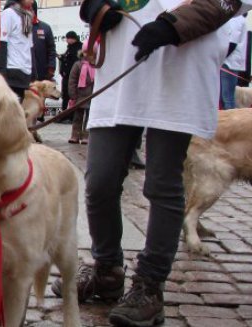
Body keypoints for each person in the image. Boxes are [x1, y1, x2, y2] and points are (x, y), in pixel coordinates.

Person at [51, 1, 252, 326]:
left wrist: (174, 24)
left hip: (182, 67)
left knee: (162, 183)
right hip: (119, 69)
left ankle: (150, 287)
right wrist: (94, 7)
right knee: (100, 180)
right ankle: (107, 269)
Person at [0, 0, 35, 96]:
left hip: (24, 71)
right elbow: (2, 42)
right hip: (12, 69)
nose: (32, 1)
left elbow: (28, 45)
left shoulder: (26, 16)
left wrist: (33, 70)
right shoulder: (8, 14)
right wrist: (1, 71)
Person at [67, 41, 95, 144]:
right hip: (79, 96)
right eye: (86, 52)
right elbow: (72, 80)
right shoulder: (78, 65)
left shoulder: (96, 66)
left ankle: (86, 136)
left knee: (89, 119)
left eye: (91, 52)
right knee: (77, 118)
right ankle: (75, 135)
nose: (88, 54)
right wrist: (72, 94)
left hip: (92, 96)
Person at [220, 14, 248, 109]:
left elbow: (232, 43)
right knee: (224, 97)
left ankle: (230, 121)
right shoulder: (234, 18)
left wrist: (220, 58)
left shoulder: (236, 19)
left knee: (227, 97)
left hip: (229, 62)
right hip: (227, 61)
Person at [31, 0, 57, 82]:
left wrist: (51, 68)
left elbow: (51, 50)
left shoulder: (45, 28)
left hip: (42, 74)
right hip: (24, 75)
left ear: (34, 10)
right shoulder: (19, 27)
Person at [59, 30, 83, 112]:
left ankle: (70, 115)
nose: (66, 40)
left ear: (73, 39)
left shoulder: (78, 48)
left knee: (71, 95)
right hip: (66, 76)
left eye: (68, 38)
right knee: (65, 95)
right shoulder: (70, 48)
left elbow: (75, 61)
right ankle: (64, 113)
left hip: (72, 76)